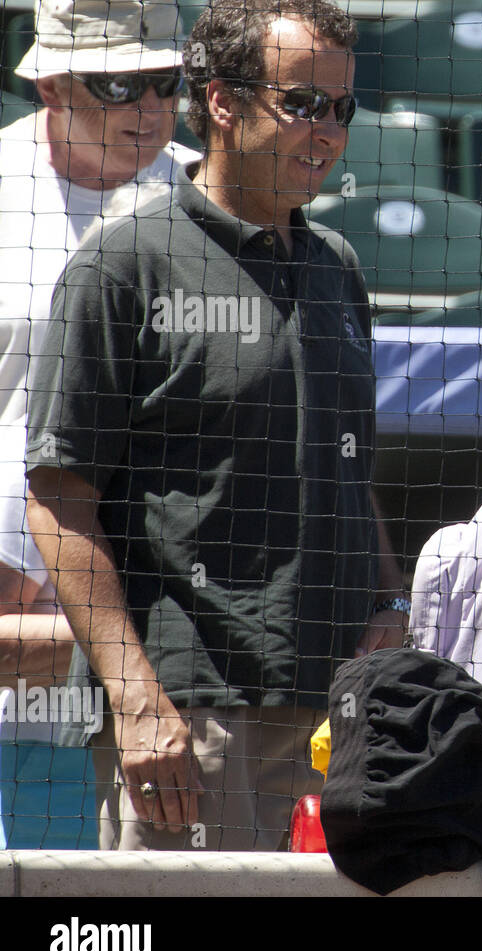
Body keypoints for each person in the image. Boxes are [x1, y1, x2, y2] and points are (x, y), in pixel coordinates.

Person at [23, 0, 407, 852]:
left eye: (342, 108)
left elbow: (349, 471)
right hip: (191, 722)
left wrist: (390, 601)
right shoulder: (122, 263)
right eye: (302, 103)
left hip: (334, 718)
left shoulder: (337, 268)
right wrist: (134, 698)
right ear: (223, 102)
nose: (328, 132)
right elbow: (58, 496)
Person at [0, 0, 198, 849]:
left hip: (143, 710)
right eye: (118, 83)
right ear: (49, 79)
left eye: (163, 81)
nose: (147, 110)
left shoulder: (212, 201)